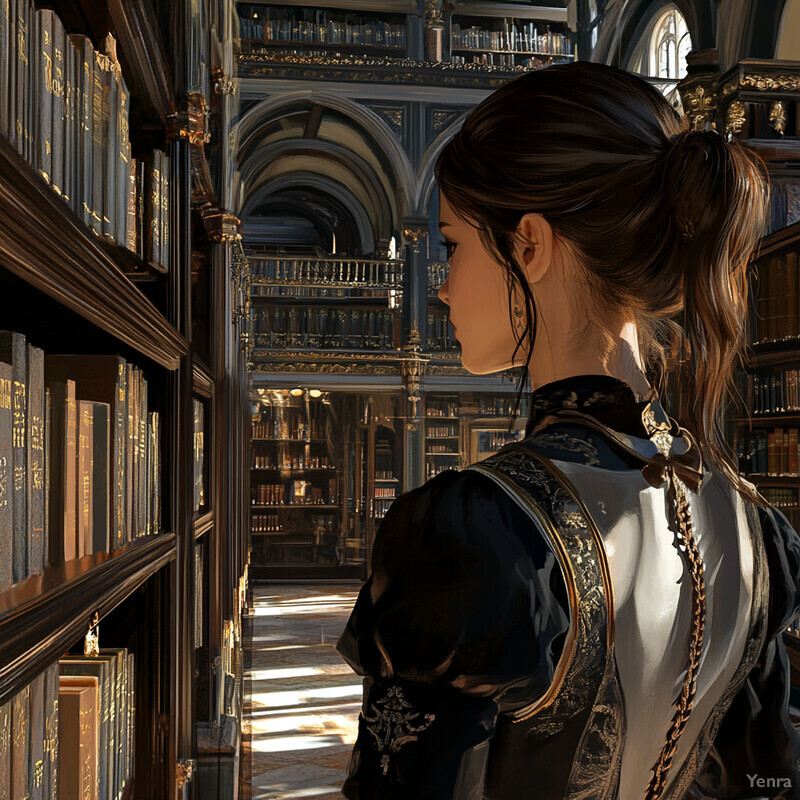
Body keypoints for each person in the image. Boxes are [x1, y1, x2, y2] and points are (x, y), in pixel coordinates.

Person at [335, 60, 800, 799]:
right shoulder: (754, 527)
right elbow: (770, 780)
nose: (444, 286)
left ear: (530, 244)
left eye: (452, 244)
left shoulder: (476, 537)